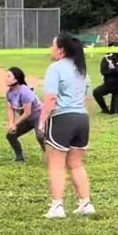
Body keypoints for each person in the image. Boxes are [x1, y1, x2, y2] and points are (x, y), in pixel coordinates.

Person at [42, 34, 95, 219]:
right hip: (82, 119)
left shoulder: (55, 68)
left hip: (62, 119)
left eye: (53, 45)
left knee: (56, 165)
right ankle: (85, 203)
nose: (51, 48)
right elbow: (87, 97)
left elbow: (50, 98)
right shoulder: (82, 70)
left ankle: (57, 206)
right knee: (76, 164)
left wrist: (42, 120)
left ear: (61, 49)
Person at [4, 67, 44, 163]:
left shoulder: (25, 91)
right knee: (10, 135)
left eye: (9, 76)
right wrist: (11, 124)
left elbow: (27, 112)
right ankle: (19, 157)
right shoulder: (9, 93)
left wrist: (15, 124)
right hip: (27, 118)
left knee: (40, 136)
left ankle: (51, 156)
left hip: (38, 115)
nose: (6, 78)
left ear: (16, 79)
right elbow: (10, 109)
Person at [92, 42, 118, 116]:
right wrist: (111, 70)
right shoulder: (105, 59)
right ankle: (105, 109)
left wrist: (115, 68)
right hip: (109, 84)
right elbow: (103, 72)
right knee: (96, 92)